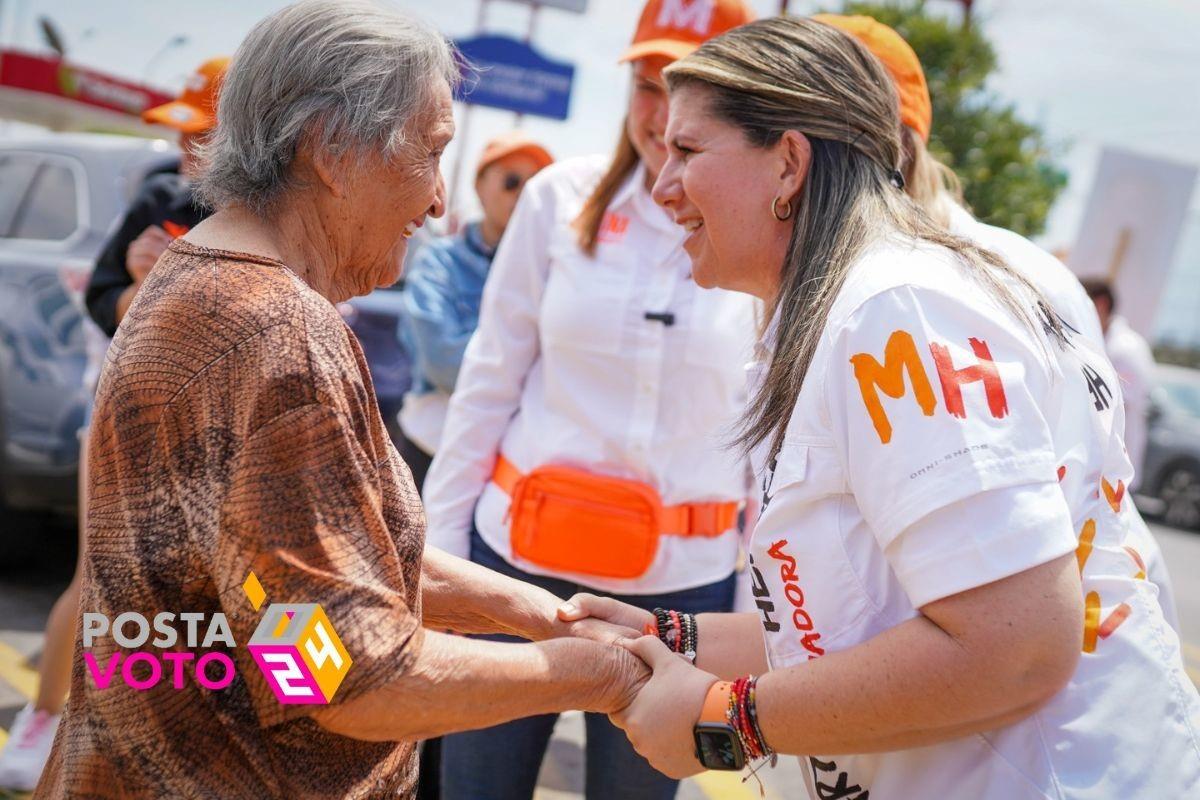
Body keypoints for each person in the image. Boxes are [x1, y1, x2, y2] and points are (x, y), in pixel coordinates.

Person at [560, 16, 1200, 797]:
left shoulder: (895, 311)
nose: (661, 185)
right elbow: (853, 624)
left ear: (789, 163)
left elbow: (1016, 647)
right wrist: (672, 637)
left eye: (687, 151)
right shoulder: (850, 310)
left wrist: (724, 722)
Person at [33, 3, 649, 797]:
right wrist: (601, 674)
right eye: (431, 154)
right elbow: (341, 680)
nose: (436, 201)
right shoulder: (275, 338)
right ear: (331, 150)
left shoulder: (205, 278)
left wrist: (547, 616)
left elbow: (316, 567)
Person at [421, 2, 757, 797]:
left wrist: (756, 621)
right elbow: (489, 381)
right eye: (649, 85)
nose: (664, 116)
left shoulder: (771, 236)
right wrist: (438, 558)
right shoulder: (556, 200)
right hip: (517, 574)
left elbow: (766, 439)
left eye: (695, 92)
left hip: (685, 596)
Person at [815, 12, 1177, 633]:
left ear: (891, 143)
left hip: (1007, 688)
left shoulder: (943, 292)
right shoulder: (839, 280)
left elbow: (1007, 602)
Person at [0, 56, 227, 794]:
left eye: (204, 131)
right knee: (98, 574)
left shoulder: (283, 219)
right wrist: (143, 283)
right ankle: (45, 717)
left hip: (223, 431)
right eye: (184, 131)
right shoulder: (162, 196)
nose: (188, 147)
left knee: (208, 593)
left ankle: (155, 736)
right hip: (133, 412)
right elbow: (105, 305)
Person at [397, 132, 554, 492]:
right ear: (479, 186)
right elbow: (442, 361)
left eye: (535, 187)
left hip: (511, 462)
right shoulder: (439, 262)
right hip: (430, 446)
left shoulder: (554, 272)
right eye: (512, 181)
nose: (522, 195)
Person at [1083, 278, 1157, 484]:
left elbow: (1120, 403)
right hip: (1095, 460)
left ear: (1100, 304)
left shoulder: (1126, 348)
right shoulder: (1100, 339)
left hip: (1114, 461)